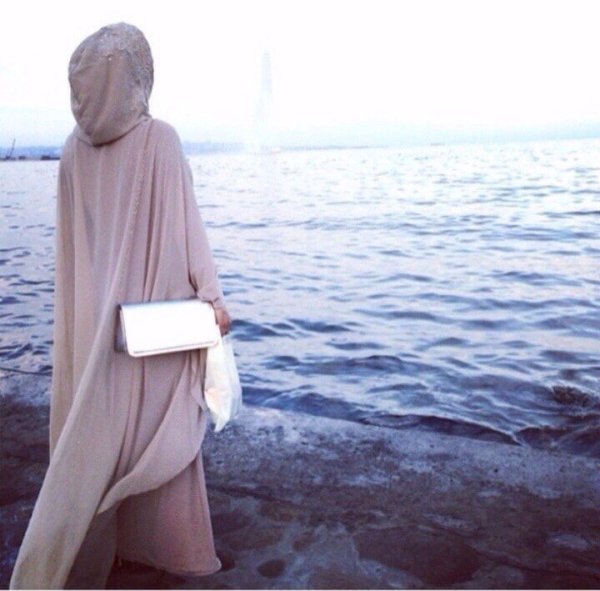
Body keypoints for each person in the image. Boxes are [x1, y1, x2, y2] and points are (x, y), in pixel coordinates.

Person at [10, 22, 231, 589]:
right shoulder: (160, 141)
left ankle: (101, 542)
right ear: (136, 77)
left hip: (94, 321)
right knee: (157, 425)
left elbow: (76, 249)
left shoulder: (70, 152)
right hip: (155, 318)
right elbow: (188, 231)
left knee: (102, 429)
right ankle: (162, 545)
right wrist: (212, 299)